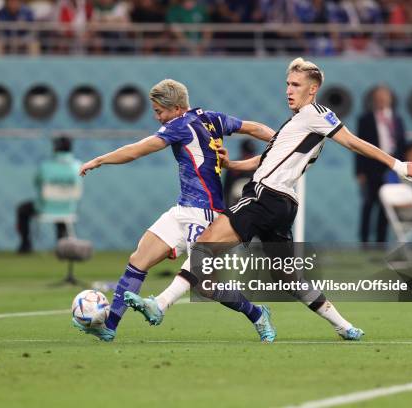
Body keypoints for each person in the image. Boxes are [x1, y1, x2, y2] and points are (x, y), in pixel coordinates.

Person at [125, 58, 412, 341]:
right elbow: (267, 160)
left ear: (313, 89)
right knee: (288, 276)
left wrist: (396, 164)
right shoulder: (297, 124)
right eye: (287, 84)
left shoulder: (317, 115)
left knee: (206, 243)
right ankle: (344, 326)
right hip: (281, 204)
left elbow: (352, 142)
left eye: (295, 85)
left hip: (264, 196)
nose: (288, 90)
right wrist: (232, 166)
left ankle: (161, 304)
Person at [76, 78, 277, 342]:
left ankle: (257, 314)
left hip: (205, 213)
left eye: (160, 111)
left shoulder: (179, 126)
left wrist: (100, 159)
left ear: (178, 108)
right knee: (139, 258)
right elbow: (253, 127)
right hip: (183, 209)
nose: (157, 117)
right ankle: (110, 326)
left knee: (207, 286)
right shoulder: (212, 118)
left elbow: (137, 150)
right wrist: (280, 140)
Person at [356, 85, 406, 243]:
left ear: (390, 99)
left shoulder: (397, 120)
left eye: (384, 96)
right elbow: (357, 146)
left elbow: (401, 145)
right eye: (378, 97)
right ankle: (364, 242)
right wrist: (360, 172)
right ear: (374, 100)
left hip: (391, 167)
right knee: (368, 205)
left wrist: (402, 167)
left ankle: (380, 243)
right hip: (372, 168)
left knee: (386, 208)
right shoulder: (365, 120)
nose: (382, 99)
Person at [16, 136, 81, 253]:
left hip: (45, 207)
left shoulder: (45, 166)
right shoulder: (78, 166)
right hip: (68, 209)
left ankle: (25, 245)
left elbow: (36, 183)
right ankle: (61, 244)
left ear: (55, 148)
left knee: (22, 209)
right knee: (61, 210)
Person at [222, 139, 257, 207]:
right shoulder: (233, 167)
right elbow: (226, 190)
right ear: (242, 152)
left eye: (251, 154)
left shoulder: (259, 168)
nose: (248, 157)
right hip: (234, 202)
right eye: (247, 154)